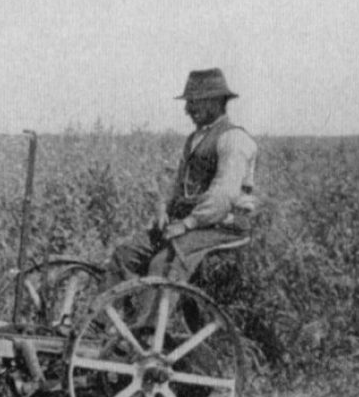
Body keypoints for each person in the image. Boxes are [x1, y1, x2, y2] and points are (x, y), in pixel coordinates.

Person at [105, 68, 259, 297]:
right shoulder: (195, 139)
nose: (188, 109)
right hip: (195, 222)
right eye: (188, 103)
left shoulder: (234, 140)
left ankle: (150, 331)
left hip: (222, 226)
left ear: (216, 101)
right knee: (125, 254)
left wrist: (186, 224)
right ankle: (109, 323)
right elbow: (180, 184)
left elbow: (222, 196)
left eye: (195, 103)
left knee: (164, 263)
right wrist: (165, 210)